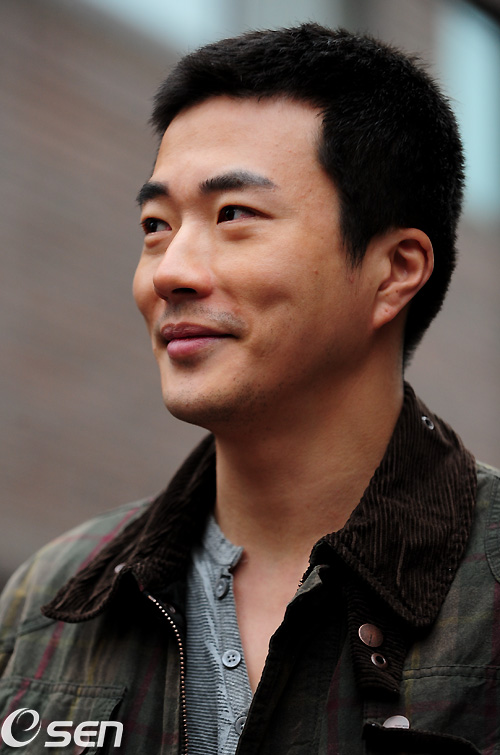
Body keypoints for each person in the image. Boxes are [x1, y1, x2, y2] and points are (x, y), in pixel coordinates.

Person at [0, 22, 498, 755]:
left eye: (234, 214)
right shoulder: (49, 598)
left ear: (394, 271)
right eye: (155, 225)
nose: (171, 271)